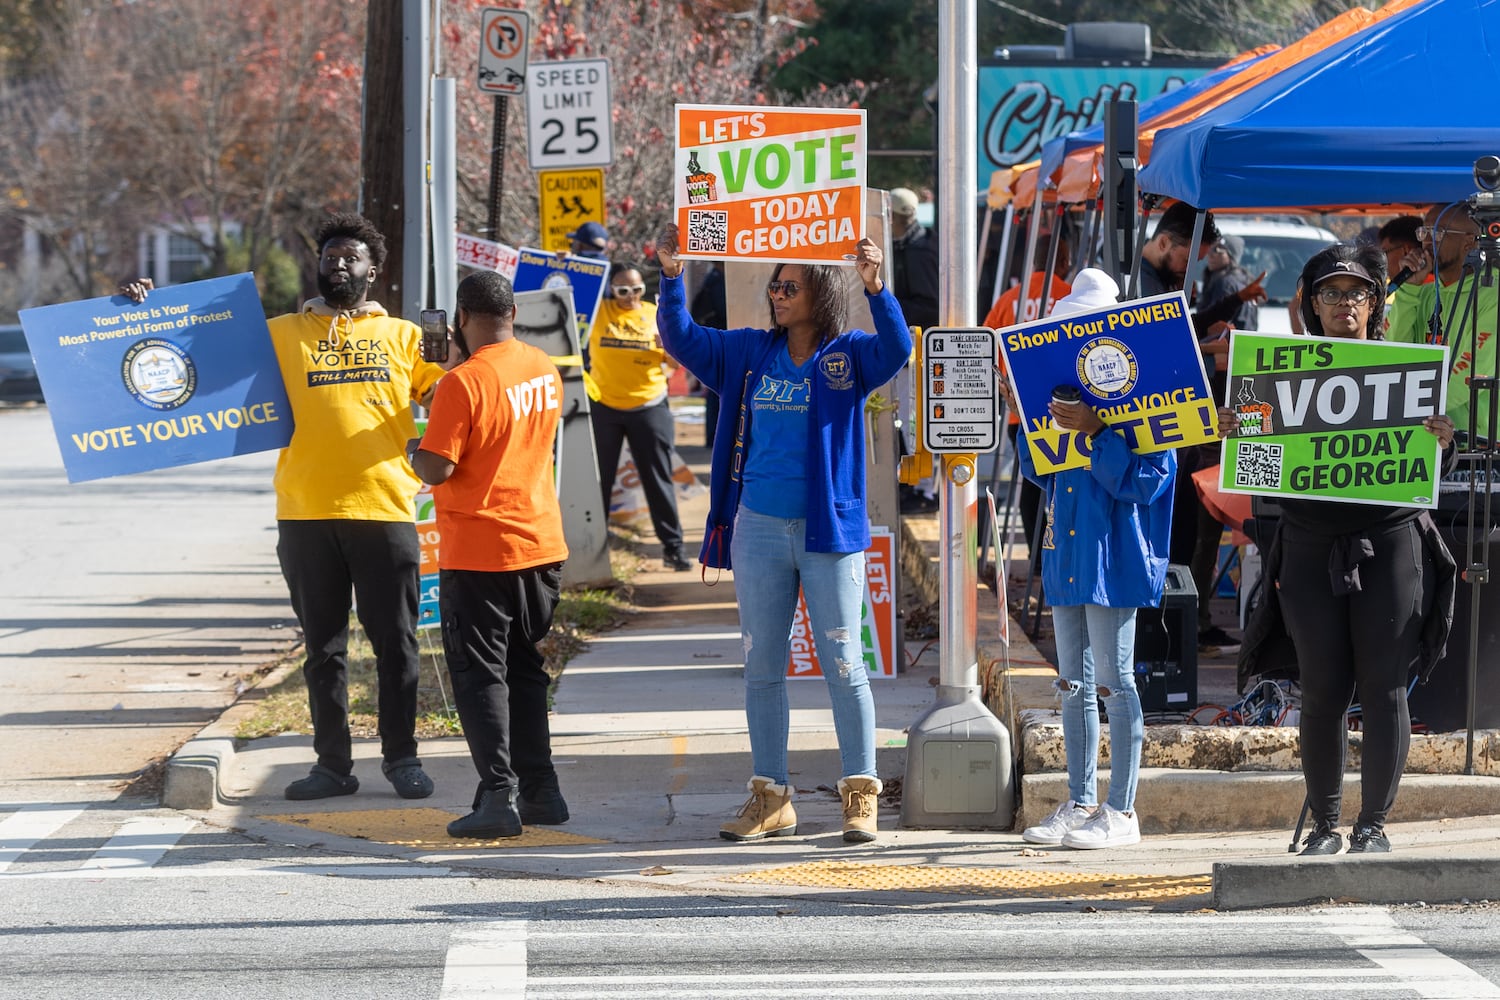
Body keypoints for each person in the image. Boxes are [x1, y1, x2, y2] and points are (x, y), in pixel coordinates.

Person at [124, 213, 447, 801]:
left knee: (395, 644)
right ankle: (332, 766)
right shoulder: (279, 333)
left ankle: (402, 760)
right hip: (304, 513)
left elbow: (450, 394)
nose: (339, 264)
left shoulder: (402, 336)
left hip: (385, 510)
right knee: (323, 651)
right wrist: (144, 306)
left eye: (351, 256)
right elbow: (194, 346)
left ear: (373, 270)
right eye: (329, 256)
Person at [654, 223, 912, 844]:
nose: (776, 294)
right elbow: (682, 339)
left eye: (788, 286)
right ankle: (770, 797)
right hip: (759, 530)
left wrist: (877, 288)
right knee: (762, 668)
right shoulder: (748, 351)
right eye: (774, 286)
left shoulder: (849, 353)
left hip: (830, 534)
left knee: (844, 665)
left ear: (818, 292)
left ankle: (860, 792)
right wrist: (670, 277)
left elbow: (898, 348)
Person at [1235, 243, 1456, 855]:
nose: (1343, 304)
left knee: (1385, 687)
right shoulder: (1280, 370)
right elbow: (1259, 467)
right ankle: (1327, 825)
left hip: (1389, 542)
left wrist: (1442, 440)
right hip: (1308, 545)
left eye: (1355, 293)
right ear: (1310, 305)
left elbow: (1431, 463)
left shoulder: (1405, 370)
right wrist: (1240, 430)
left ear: (1376, 303)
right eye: (1329, 293)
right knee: (1324, 689)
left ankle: (1373, 826)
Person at [1006, 269, 1174, 850]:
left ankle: (1120, 809)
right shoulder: (1063, 399)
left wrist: (1100, 429)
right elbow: (1039, 473)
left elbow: (1150, 482)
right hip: (1067, 552)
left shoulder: (1149, 399)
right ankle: (1079, 801)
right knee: (1072, 684)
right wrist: (1027, 418)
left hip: (1116, 558)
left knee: (1115, 681)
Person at [410, 270, 571, 839]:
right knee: (526, 669)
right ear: (513, 314)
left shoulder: (462, 383)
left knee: (481, 677)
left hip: (480, 551)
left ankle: (497, 797)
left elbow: (438, 466)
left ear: (460, 317)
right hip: (540, 545)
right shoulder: (542, 368)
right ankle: (542, 792)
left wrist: (414, 447)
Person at [589, 261, 691, 571]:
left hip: (649, 405)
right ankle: (592, 550)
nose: (631, 295)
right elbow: (566, 293)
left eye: (637, 288)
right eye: (623, 289)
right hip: (604, 404)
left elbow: (676, 364)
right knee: (598, 481)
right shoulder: (598, 312)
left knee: (658, 479)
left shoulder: (654, 314)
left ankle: (673, 549)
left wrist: (669, 346)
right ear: (611, 289)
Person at [1384, 203, 1496, 442]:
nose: (1427, 242)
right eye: (1423, 233)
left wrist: (1411, 408)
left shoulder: (1493, 292)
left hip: (1480, 448)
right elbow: (1395, 356)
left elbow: (1475, 370)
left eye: (1438, 233)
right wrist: (1409, 290)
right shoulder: (1422, 295)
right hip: (1427, 439)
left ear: (1469, 241)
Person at [888, 187, 939, 332]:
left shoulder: (920, 251)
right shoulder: (907, 244)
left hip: (919, 341)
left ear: (891, 217)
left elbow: (930, 308)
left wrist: (884, 303)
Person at [689, 262, 727, 449]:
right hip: (720, 341)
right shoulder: (717, 281)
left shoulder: (711, 279)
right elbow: (723, 310)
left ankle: (713, 436)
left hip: (715, 341)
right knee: (717, 392)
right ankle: (714, 437)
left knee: (715, 391)